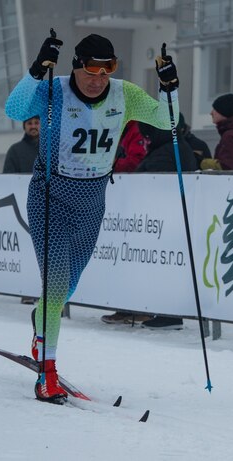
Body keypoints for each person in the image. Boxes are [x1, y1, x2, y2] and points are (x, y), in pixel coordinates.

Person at [4, 31, 179, 403]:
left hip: (91, 204)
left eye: (106, 72)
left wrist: (169, 87)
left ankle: (41, 322)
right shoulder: (54, 90)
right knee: (55, 288)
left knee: (67, 288)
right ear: (76, 66)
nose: (98, 80)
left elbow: (168, 120)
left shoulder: (124, 94)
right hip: (50, 198)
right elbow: (14, 110)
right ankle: (47, 376)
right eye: (91, 72)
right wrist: (35, 69)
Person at [128, 115, 199, 330]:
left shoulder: (169, 150)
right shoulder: (173, 147)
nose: (146, 140)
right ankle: (165, 312)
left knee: (167, 268)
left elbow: (152, 176)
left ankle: (169, 314)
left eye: (148, 136)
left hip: (166, 221)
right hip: (166, 220)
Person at [99, 120, 151, 325]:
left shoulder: (135, 131)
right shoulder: (118, 131)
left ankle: (137, 308)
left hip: (133, 200)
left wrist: (109, 166)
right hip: (120, 201)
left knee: (133, 258)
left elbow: (135, 161)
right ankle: (123, 306)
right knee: (121, 259)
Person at [2, 115, 41, 304]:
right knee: (26, 250)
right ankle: (27, 289)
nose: (33, 126)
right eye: (29, 124)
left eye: (36, 123)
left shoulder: (52, 147)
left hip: (49, 207)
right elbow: (7, 178)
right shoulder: (15, 150)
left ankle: (49, 293)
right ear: (24, 126)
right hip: (22, 208)